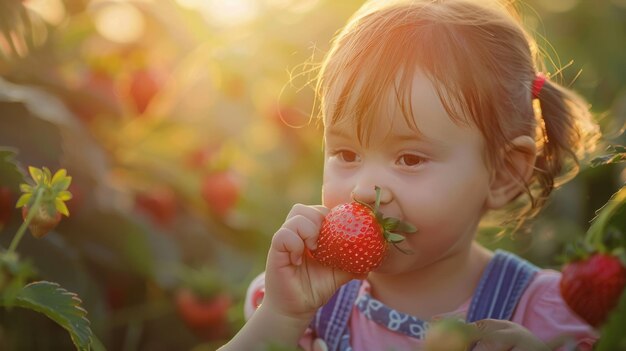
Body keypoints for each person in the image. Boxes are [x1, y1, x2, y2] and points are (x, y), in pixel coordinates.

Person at [220, 0, 601, 350]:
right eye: (346, 153)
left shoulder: (543, 317)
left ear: (503, 173)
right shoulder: (306, 311)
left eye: (410, 159)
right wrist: (281, 317)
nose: (364, 189)